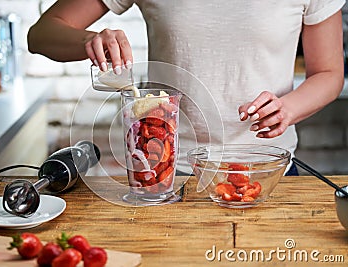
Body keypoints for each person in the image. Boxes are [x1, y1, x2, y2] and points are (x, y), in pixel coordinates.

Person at [28, 0, 345, 176]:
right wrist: (89, 40)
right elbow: (40, 34)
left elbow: (329, 73)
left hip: (265, 170)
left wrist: (288, 108)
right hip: (166, 172)